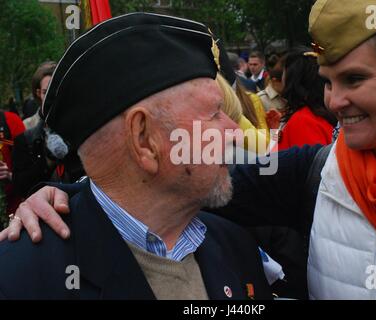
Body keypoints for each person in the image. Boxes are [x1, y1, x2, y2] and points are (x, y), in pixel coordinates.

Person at [5, 0, 376, 300]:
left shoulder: (231, 247)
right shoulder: (312, 175)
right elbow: (141, 189)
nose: (333, 101)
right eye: (330, 81)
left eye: (354, 80)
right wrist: (63, 198)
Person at [0, 13, 272, 300]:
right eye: (214, 114)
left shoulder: (235, 246)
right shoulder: (20, 281)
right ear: (144, 139)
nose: (235, 133)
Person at [12, 62, 84, 198]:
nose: (52, 97)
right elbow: (21, 186)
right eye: (47, 92)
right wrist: (47, 161)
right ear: (38, 93)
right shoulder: (27, 135)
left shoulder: (82, 126)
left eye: (57, 90)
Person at [275, 48, 337, 151]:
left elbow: (272, 163)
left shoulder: (303, 121)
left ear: (291, 77)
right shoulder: (315, 114)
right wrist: (276, 130)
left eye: (284, 71)